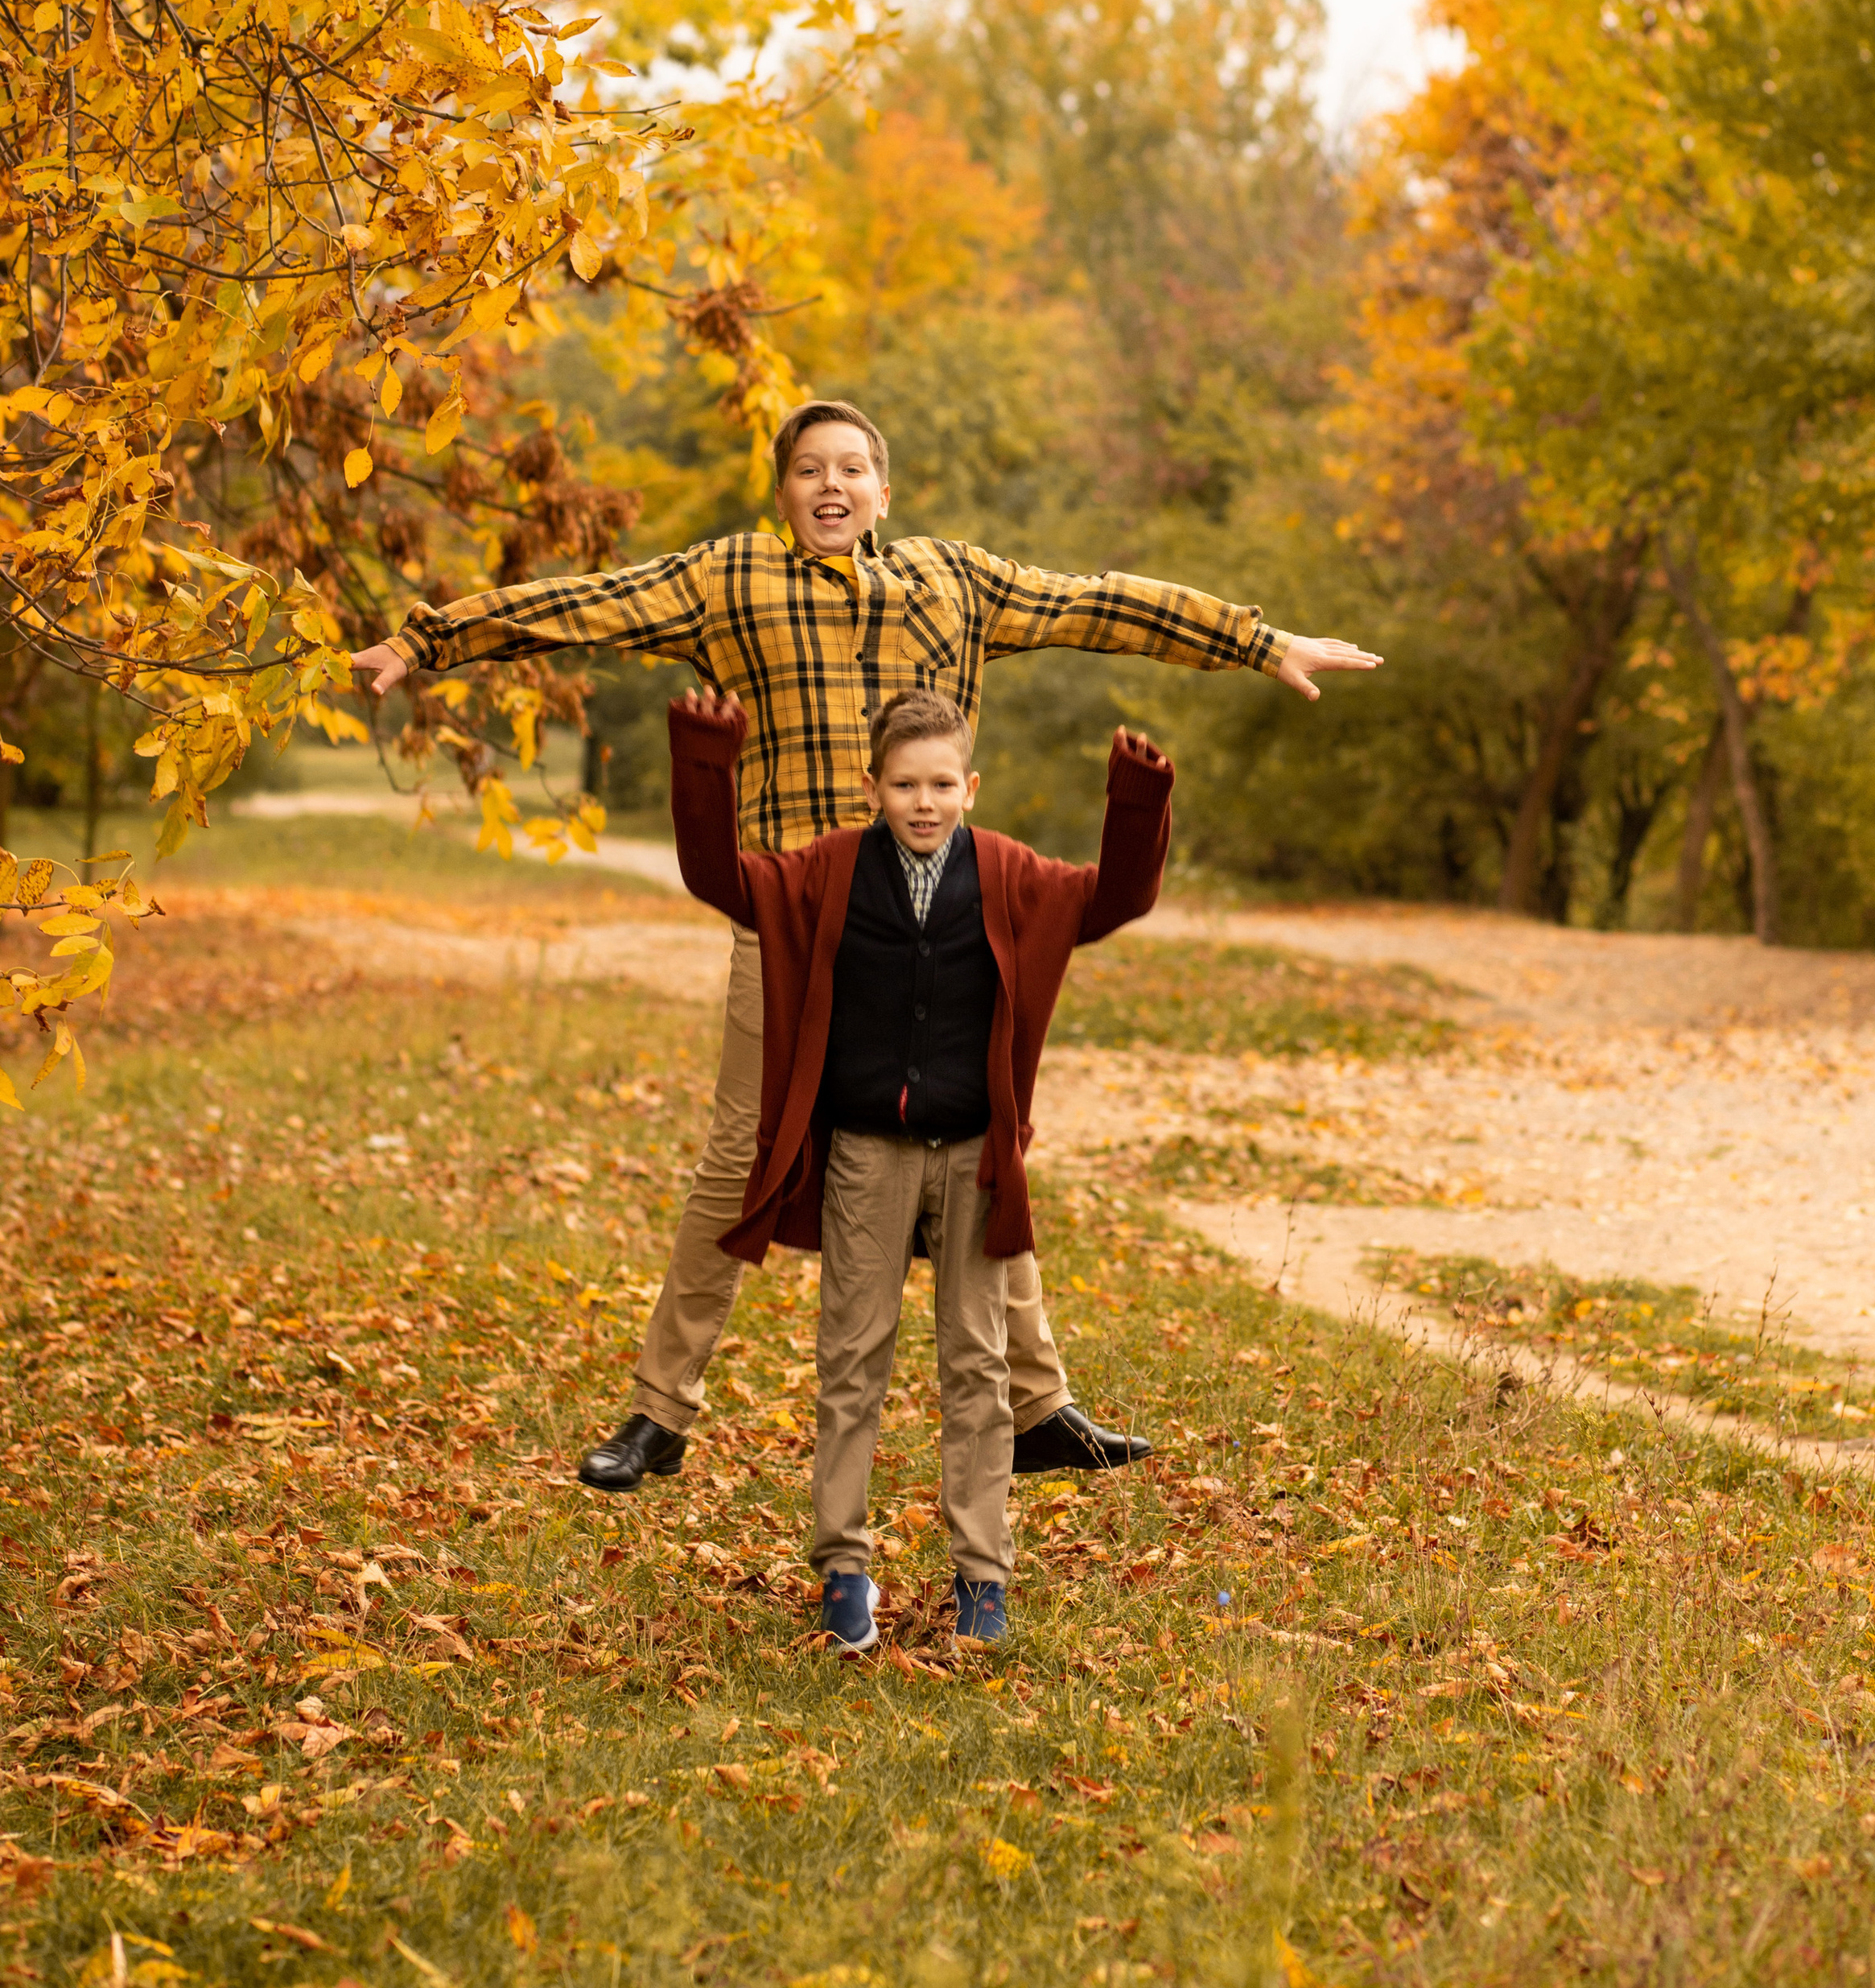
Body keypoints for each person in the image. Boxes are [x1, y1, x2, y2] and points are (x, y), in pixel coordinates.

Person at [348, 397, 1383, 1490]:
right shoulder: (729, 579)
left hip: (938, 926)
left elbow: (1104, 605)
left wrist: (1259, 640)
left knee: (979, 1157)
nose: (830, 487)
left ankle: (1036, 1413)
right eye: (808, 471)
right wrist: (427, 640)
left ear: (886, 491)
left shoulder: (957, 582)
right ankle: (659, 1414)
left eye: (852, 469)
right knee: (738, 1158)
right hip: (799, 919)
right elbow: (583, 607)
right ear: (784, 490)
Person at [669, 684, 1173, 1652]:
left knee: (978, 1372)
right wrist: (705, 758)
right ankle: (842, 1571)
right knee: (850, 1363)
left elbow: (1114, 900)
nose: (925, 801)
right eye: (905, 784)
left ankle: (982, 1578)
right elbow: (719, 878)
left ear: (971, 785)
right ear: (874, 787)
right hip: (867, 1158)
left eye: (942, 782)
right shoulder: (827, 870)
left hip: (976, 1161)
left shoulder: (1008, 874)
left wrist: (1136, 800)